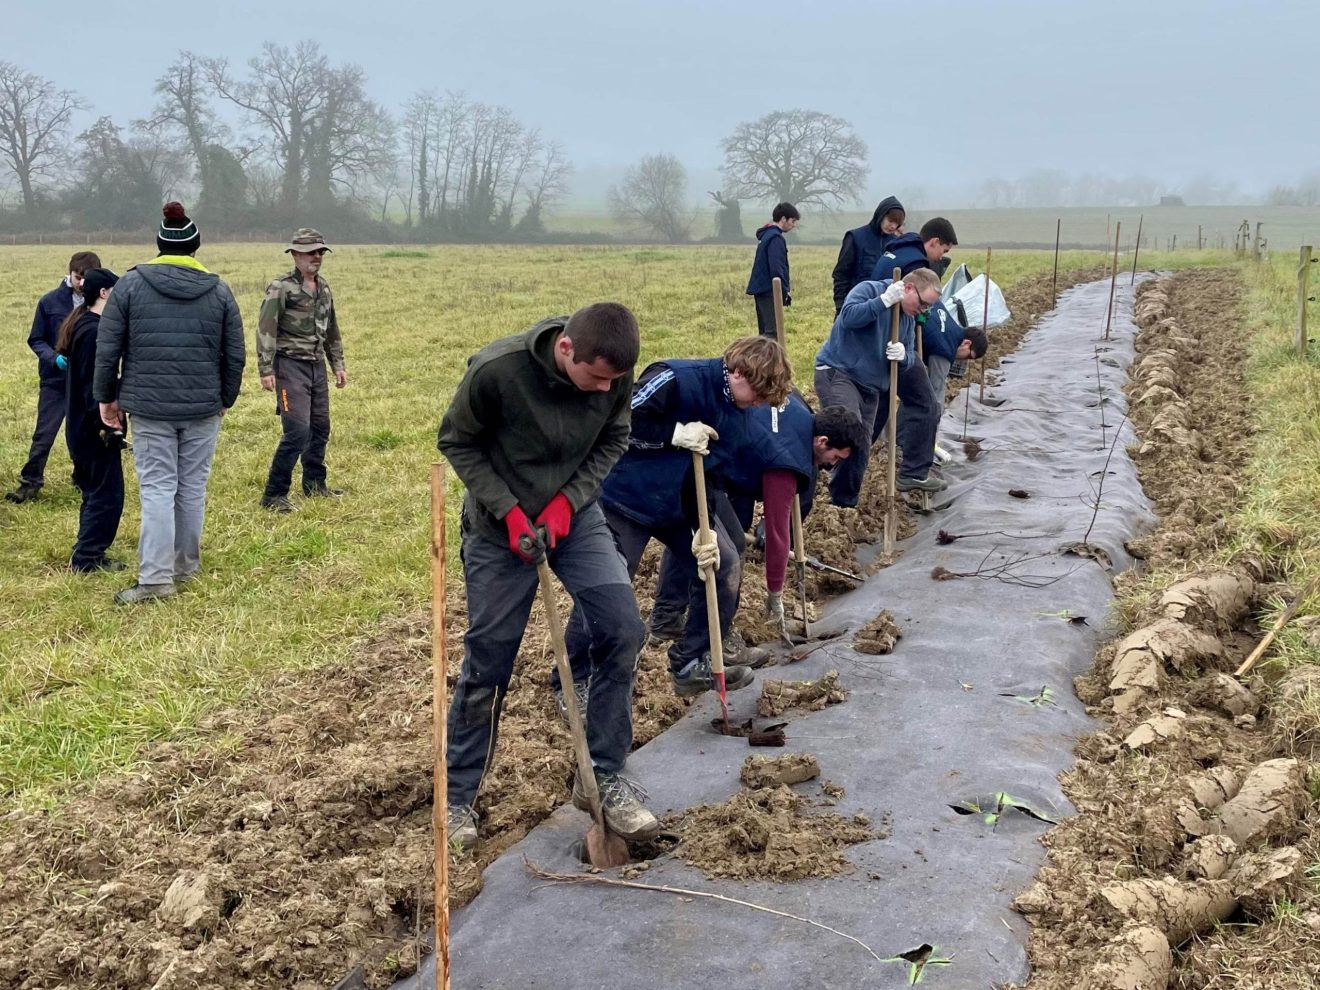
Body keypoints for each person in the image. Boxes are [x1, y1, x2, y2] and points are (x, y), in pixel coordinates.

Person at [437, 302, 655, 851]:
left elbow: (613, 439)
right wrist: (508, 511)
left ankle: (602, 776)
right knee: (489, 658)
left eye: (613, 381)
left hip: (572, 521)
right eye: (594, 378)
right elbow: (456, 441)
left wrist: (566, 505)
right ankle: (458, 794)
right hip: (497, 528)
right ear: (565, 350)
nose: (603, 391)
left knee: (623, 628)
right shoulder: (497, 371)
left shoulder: (614, 377)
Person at [575, 337, 793, 700]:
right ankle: (578, 679)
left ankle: (691, 661)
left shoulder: (738, 415)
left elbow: (709, 472)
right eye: (756, 395)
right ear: (738, 372)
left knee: (724, 564)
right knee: (606, 589)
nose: (757, 405)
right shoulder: (676, 378)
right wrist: (673, 434)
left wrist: (701, 527)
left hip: (676, 504)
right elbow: (614, 419)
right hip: (625, 499)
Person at [93, 202, 245, 605]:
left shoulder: (129, 286)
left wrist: (107, 398)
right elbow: (235, 354)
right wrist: (225, 398)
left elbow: (107, 350)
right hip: (202, 407)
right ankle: (184, 566)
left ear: (159, 245)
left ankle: (156, 579)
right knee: (192, 488)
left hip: (148, 407)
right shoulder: (219, 290)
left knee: (158, 489)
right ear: (195, 247)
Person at [644, 398, 865, 645]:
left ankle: (667, 618)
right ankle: (712, 638)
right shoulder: (786, 465)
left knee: (708, 535)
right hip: (693, 462)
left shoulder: (797, 409)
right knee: (724, 549)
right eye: (835, 457)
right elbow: (778, 535)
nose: (830, 465)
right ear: (822, 441)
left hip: (703, 455)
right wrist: (775, 595)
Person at [814, 269, 944, 507]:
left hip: (871, 386)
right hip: (840, 372)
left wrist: (905, 356)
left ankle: (844, 501)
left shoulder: (905, 318)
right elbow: (849, 317)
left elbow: (909, 353)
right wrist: (883, 302)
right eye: (923, 304)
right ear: (908, 288)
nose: (923, 311)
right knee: (848, 429)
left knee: (862, 444)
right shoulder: (870, 290)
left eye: (928, 308)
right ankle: (814, 482)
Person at [257, 228, 348, 513]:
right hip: (289, 366)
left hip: (316, 365)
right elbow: (266, 329)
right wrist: (266, 368)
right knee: (297, 431)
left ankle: (314, 484)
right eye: (310, 252)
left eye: (320, 252)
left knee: (320, 428)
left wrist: (338, 365)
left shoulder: (324, 288)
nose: (316, 257)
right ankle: (274, 494)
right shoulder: (281, 287)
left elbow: (332, 329)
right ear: (295, 254)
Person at [6, 250, 102, 504]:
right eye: (77, 277)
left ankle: (83, 479)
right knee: (44, 433)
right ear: (70, 274)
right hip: (55, 382)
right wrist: (53, 358)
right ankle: (30, 483)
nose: (82, 283)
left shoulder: (103, 304)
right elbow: (35, 339)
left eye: (86, 279)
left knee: (84, 434)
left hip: (87, 382)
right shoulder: (49, 302)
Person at [54, 268, 125, 572]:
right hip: (93, 429)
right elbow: (93, 385)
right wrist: (106, 423)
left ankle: (86, 552)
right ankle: (87, 559)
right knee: (108, 496)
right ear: (105, 293)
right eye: (116, 290)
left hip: (80, 427)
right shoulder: (95, 331)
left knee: (93, 492)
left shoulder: (82, 324)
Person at [831, 196, 905, 315]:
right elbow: (841, 274)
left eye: (897, 224)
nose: (893, 226)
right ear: (881, 215)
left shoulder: (896, 243)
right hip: (855, 305)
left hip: (884, 310)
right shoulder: (855, 237)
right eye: (890, 221)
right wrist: (841, 306)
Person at [745, 203, 800, 337]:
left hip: (761, 289)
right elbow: (777, 267)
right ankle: (770, 358)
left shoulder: (766, 235)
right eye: (792, 221)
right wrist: (783, 291)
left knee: (764, 332)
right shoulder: (776, 238)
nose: (793, 225)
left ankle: (762, 358)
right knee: (772, 333)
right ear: (783, 219)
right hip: (770, 291)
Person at [870, 217, 958, 282]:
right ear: (935, 242)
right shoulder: (915, 265)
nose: (941, 258)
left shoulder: (900, 248)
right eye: (944, 251)